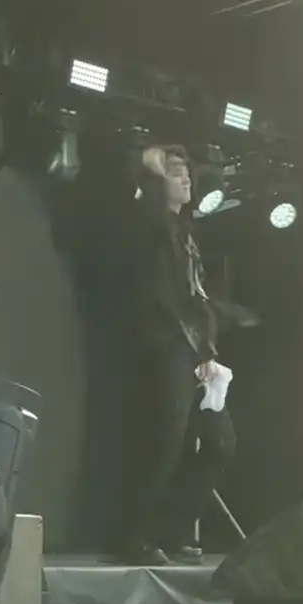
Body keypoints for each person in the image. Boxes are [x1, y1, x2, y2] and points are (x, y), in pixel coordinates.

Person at [120, 144, 235, 566]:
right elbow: (164, 295)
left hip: (197, 352)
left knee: (219, 443)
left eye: (186, 172)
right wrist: (152, 169)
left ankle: (173, 528)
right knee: (167, 442)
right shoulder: (149, 224)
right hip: (167, 346)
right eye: (175, 173)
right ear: (155, 183)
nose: (186, 179)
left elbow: (196, 294)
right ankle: (137, 536)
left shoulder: (186, 231)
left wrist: (209, 346)